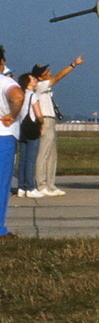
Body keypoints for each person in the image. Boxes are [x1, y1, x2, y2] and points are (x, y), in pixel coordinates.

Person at [32, 56, 82, 197]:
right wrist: (73, 64)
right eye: (46, 72)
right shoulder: (40, 86)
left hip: (51, 119)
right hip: (45, 120)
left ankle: (50, 184)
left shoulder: (45, 87)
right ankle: (41, 184)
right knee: (43, 154)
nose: (49, 72)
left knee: (52, 155)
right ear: (40, 77)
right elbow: (59, 76)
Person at [0, 49, 23, 237]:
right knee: (1, 183)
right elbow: (17, 96)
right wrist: (12, 114)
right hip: (3, 135)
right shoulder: (6, 81)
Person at [14, 73, 43, 198]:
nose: (35, 80)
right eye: (32, 79)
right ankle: (30, 187)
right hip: (31, 129)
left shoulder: (20, 94)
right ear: (28, 82)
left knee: (22, 159)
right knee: (30, 159)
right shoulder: (32, 95)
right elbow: (38, 115)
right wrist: (41, 124)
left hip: (20, 128)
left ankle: (21, 187)